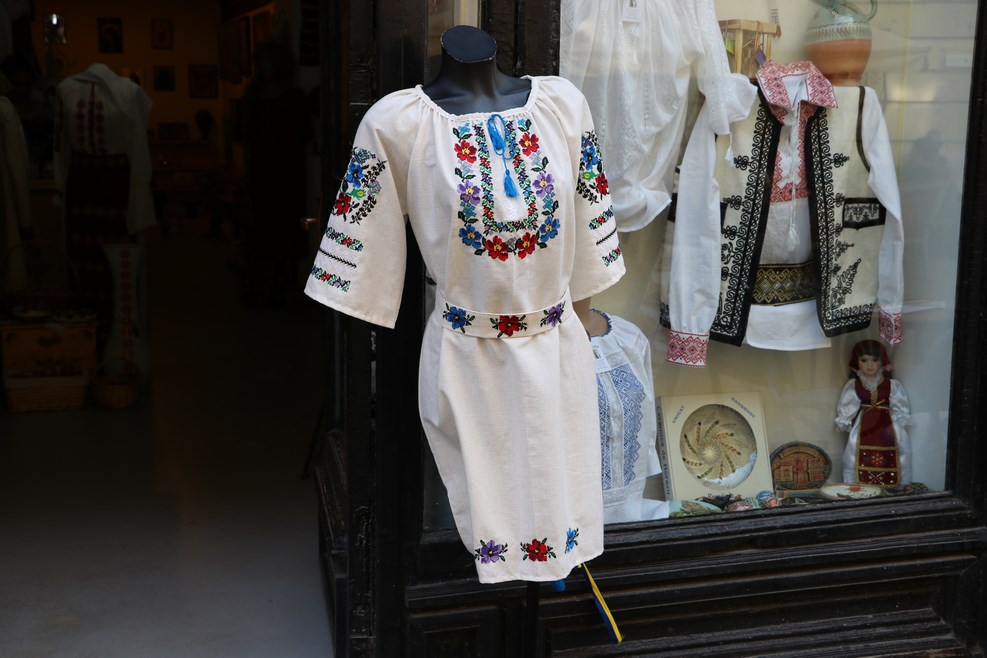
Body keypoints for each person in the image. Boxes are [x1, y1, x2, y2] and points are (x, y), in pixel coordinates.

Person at [304, 25, 624, 583]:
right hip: (467, 355)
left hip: (556, 350)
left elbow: (589, 225)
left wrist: (586, 320)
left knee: (559, 501)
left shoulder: (563, 106)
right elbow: (360, 256)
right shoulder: (398, 123)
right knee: (490, 511)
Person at [240, 41, 310, 305]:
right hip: (262, 171)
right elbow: (244, 134)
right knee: (263, 224)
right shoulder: (253, 97)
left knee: (287, 223)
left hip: (287, 171)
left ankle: (287, 284)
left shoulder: (294, 97)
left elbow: (303, 133)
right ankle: (265, 284)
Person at [835, 339, 912, 486]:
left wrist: (901, 419)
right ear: (856, 362)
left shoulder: (892, 385)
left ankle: (897, 484)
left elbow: (900, 405)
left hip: (888, 425)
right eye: (864, 360)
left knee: (898, 449)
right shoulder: (854, 385)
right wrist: (844, 419)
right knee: (854, 452)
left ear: (882, 362)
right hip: (865, 425)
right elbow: (849, 404)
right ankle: (856, 485)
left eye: (875, 360)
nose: (869, 365)